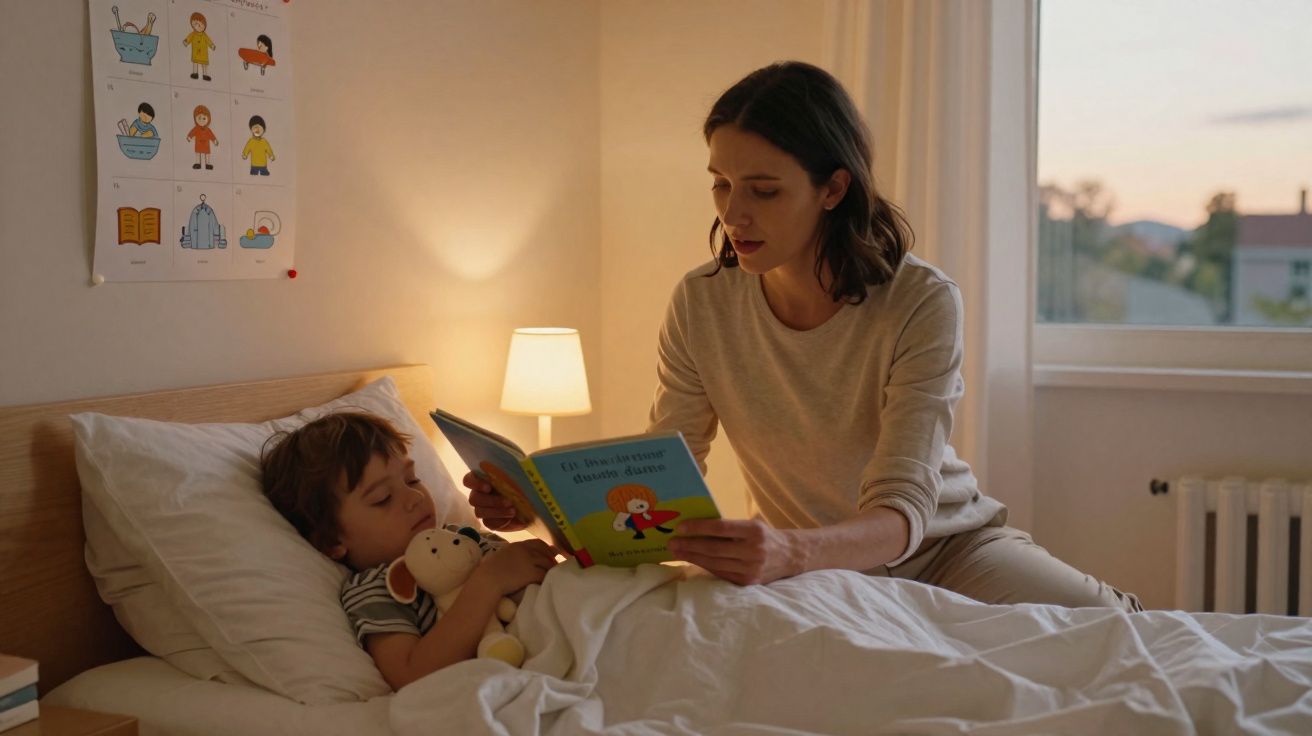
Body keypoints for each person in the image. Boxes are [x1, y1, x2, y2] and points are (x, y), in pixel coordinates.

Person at [467, 61, 1141, 613]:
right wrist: (535, 508)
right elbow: (662, 473)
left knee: (1108, 627)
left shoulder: (921, 301)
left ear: (832, 189)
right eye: (722, 185)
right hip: (803, 570)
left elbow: (905, 506)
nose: (734, 212)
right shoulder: (702, 303)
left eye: (763, 189)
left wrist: (791, 552)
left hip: (946, 548)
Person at [261, 412, 558, 690]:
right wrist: (489, 581)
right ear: (331, 543)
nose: (414, 497)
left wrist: (535, 519)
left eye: (412, 479)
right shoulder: (377, 587)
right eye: (383, 498)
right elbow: (411, 673)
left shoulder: (463, 538)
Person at [183, 12, 216, 81]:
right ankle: (195, 73)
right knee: (195, 63)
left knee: (204, 64)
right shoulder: (193, 34)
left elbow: (208, 40)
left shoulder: (204, 35)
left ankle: (205, 75)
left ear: (204, 25)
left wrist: (212, 45)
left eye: (199, 24)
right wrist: (186, 41)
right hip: (195, 52)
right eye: (195, 24)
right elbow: (189, 38)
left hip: (203, 53)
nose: (197, 26)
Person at [185, 105, 217, 170]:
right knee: (197, 153)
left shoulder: (208, 130)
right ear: (195, 118)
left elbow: (212, 135)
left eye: (204, 118)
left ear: (208, 119)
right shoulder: (196, 128)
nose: (201, 120)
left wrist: (214, 140)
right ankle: (198, 163)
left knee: (207, 154)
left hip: (206, 145)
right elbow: (192, 133)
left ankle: (207, 164)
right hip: (198, 144)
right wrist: (189, 137)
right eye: (199, 118)